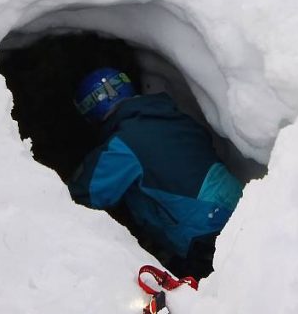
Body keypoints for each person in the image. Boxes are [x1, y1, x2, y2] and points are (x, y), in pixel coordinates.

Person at [68, 67, 243, 279]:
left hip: (205, 232)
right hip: (241, 206)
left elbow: (84, 196)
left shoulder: (122, 145)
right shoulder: (176, 117)